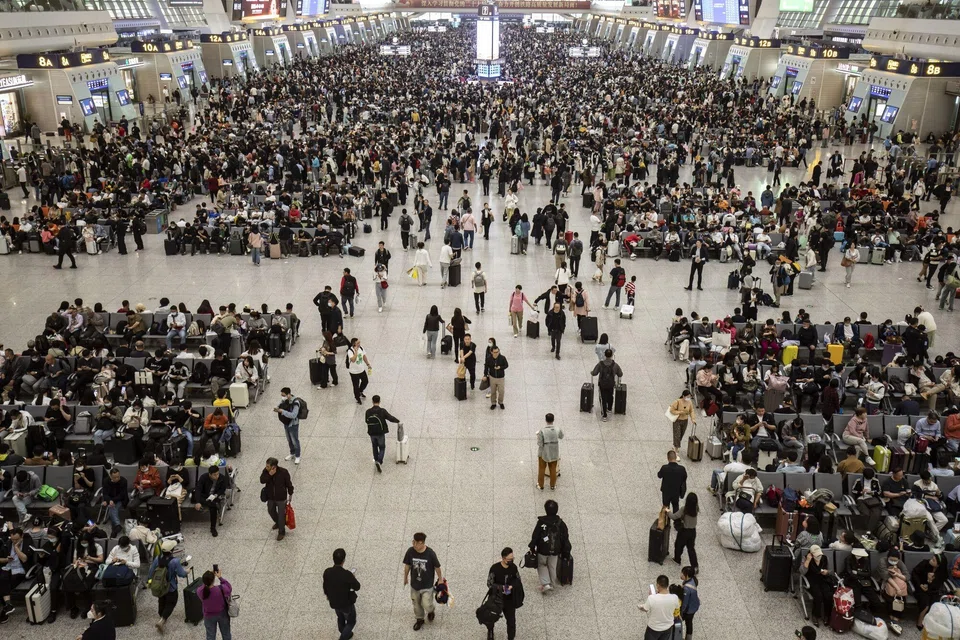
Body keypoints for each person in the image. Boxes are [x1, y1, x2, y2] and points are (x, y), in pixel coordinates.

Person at [147, 538, 189, 634]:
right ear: (172, 551)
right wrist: (187, 572)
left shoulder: (157, 558)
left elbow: (151, 572)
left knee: (161, 600)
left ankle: (161, 614)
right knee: (171, 602)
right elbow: (181, 573)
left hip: (160, 586)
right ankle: (162, 620)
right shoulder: (175, 561)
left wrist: (150, 582)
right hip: (171, 587)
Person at [402, 532, 442, 631]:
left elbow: (437, 567)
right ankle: (419, 619)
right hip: (414, 585)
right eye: (413, 541)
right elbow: (407, 565)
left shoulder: (430, 553)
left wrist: (440, 579)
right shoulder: (410, 551)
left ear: (421, 543)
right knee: (416, 604)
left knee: (427, 604)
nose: (413, 544)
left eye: (415, 542)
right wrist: (405, 577)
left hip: (427, 585)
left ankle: (431, 611)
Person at [528, 499, 570, 593]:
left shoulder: (541, 522)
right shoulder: (561, 524)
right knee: (552, 566)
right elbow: (565, 538)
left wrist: (532, 546)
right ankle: (552, 583)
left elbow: (535, 535)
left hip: (543, 549)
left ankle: (546, 584)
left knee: (542, 564)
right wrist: (566, 551)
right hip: (556, 550)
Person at [323, 548, 361, 640]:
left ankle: (345, 632)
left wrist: (327, 595)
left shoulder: (327, 572)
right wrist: (352, 577)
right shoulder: (347, 574)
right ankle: (343, 637)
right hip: (346, 603)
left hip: (334, 602)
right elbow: (357, 586)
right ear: (343, 560)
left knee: (340, 617)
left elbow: (325, 585)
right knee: (351, 621)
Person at [485, 548, 521, 640]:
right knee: (491, 617)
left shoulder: (513, 567)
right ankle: (490, 632)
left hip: (509, 599)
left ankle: (511, 637)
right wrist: (500, 588)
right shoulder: (494, 568)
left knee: (511, 621)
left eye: (513, 558)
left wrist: (512, 586)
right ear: (504, 558)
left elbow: (518, 580)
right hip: (496, 598)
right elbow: (489, 583)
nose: (511, 561)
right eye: (509, 559)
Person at [259, 457, 294, 541]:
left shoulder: (283, 472)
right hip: (271, 497)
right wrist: (269, 475)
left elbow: (288, 483)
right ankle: (278, 522)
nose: (266, 467)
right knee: (270, 510)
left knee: (281, 515)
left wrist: (290, 492)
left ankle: (281, 532)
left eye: (268, 466)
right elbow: (262, 480)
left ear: (273, 466)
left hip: (281, 497)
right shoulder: (266, 472)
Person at [637, 574, 681, 640]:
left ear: (658, 585)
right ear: (667, 585)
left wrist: (640, 606)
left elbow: (645, 609)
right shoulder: (675, 597)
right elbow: (677, 607)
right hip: (667, 627)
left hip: (653, 628)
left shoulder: (652, 598)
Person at [365, 395, 400, 473]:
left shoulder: (368, 411)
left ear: (372, 401)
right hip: (380, 433)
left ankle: (376, 459)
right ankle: (379, 461)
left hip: (371, 433)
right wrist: (398, 421)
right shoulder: (382, 411)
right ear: (379, 401)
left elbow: (366, 421)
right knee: (382, 447)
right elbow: (390, 418)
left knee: (374, 446)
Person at [912, 553, 947, 630]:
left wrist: (930, 581)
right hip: (920, 588)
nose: (931, 560)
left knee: (935, 604)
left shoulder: (941, 572)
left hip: (933, 590)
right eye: (932, 558)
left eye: (933, 560)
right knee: (925, 604)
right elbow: (914, 573)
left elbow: (939, 583)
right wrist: (920, 584)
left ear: (938, 565)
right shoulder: (925, 563)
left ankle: (930, 621)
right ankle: (919, 621)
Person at [801, 545, 832, 629]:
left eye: (819, 555)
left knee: (828, 595)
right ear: (811, 554)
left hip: (822, 579)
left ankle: (827, 615)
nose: (819, 556)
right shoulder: (806, 558)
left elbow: (829, 571)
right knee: (818, 596)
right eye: (817, 555)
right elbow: (802, 572)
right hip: (812, 580)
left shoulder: (824, 558)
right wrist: (807, 560)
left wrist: (827, 572)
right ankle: (815, 615)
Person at [193, 465, 229, 537]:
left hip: (214, 496)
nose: (217, 476)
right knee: (212, 505)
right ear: (210, 474)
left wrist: (216, 495)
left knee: (213, 506)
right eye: (214, 475)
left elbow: (222, 489)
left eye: (218, 474)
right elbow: (198, 489)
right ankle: (211, 505)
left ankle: (213, 528)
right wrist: (198, 501)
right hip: (204, 496)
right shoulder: (204, 477)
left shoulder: (221, 478)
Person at [200, 568, 232, 640]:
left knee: (210, 636)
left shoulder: (200, 591)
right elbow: (229, 587)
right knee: (226, 633)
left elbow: (203, 586)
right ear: (213, 580)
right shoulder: (221, 589)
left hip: (208, 616)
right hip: (222, 614)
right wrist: (220, 577)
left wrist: (207, 579)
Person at [591, 349, 623, 421]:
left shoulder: (600, 364)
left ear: (605, 355)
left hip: (602, 384)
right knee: (610, 395)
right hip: (611, 384)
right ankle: (609, 408)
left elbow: (594, 373)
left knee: (603, 398)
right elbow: (620, 374)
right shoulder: (615, 365)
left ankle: (604, 415)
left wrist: (591, 372)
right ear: (612, 355)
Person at [670, 493, 699, 572]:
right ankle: (695, 566)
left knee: (679, 545)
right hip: (693, 532)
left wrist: (668, 512)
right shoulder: (696, 509)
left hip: (684, 531)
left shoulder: (684, 509)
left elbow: (674, 516)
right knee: (691, 549)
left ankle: (677, 559)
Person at [274, 388, 302, 465]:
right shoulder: (284, 400)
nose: (282, 397)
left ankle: (297, 456)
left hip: (293, 424)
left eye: (284, 395)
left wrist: (282, 411)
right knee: (289, 439)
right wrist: (277, 407)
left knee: (295, 440)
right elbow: (279, 404)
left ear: (288, 394)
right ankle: (292, 453)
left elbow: (293, 415)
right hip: (286, 423)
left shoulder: (296, 403)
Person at [536, 413, 564, 490]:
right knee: (553, 469)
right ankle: (553, 485)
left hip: (543, 453)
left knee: (541, 469)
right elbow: (561, 436)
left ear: (546, 420)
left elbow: (540, 444)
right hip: (554, 452)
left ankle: (541, 485)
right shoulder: (557, 429)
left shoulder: (542, 431)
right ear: (553, 420)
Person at [668, 390, 696, 455]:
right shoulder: (677, 402)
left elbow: (691, 410)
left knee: (681, 434)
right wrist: (680, 412)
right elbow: (671, 410)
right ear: (683, 396)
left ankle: (675, 445)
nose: (688, 398)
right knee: (677, 434)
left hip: (685, 420)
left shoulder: (689, 402)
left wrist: (693, 418)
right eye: (687, 396)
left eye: (689, 397)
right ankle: (676, 450)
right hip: (677, 420)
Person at [345, 338, 371, 404]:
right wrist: (356, 351)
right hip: (354, 372)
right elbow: (353, 360)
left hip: (361, 369)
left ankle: (360, 391)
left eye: (359, 342)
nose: (359, 344)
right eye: (358, 343)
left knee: (365, 381)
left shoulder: (361, 348)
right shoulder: (350, 351)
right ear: (354, 344)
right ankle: (357, 397)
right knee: (356, 385)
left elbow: (364, 356)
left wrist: (368, 364)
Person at [483, 345, 509, 410]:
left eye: (497, 352)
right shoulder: (489, 358)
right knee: (493, 391)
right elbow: (486, 367)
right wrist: (485, 375)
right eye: (495, 352)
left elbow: (506, 365)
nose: (496, 353)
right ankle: (493, 403)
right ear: (491, 352)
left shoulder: (502, 358)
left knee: (501, 391)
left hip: (501, 378)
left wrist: (500, 367)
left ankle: (500, 402)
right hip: (492, 377)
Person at [679, 566, 700, 640]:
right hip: (694, 605)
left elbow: (685, 603)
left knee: (688, 622)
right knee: (689, 623)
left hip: (689, 609)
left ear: (687, 575)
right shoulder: (693, 579)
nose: (681, 574)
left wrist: (681, 613)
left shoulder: (687, 589)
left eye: (682, 573)